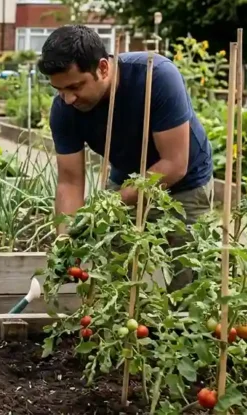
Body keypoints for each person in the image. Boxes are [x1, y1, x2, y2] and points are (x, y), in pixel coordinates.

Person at [39, 25, 214, 290]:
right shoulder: (64, 109)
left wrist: (108, 205)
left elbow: (174, 164)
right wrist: (66, 237)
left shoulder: (156, 77)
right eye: (59, 89)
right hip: (125, 179)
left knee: (188, 280)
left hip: (184, 184)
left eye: (75, 86)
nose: (68, 98)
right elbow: (70, 181)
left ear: (103, 68)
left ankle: (182, 326)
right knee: (113, 276)